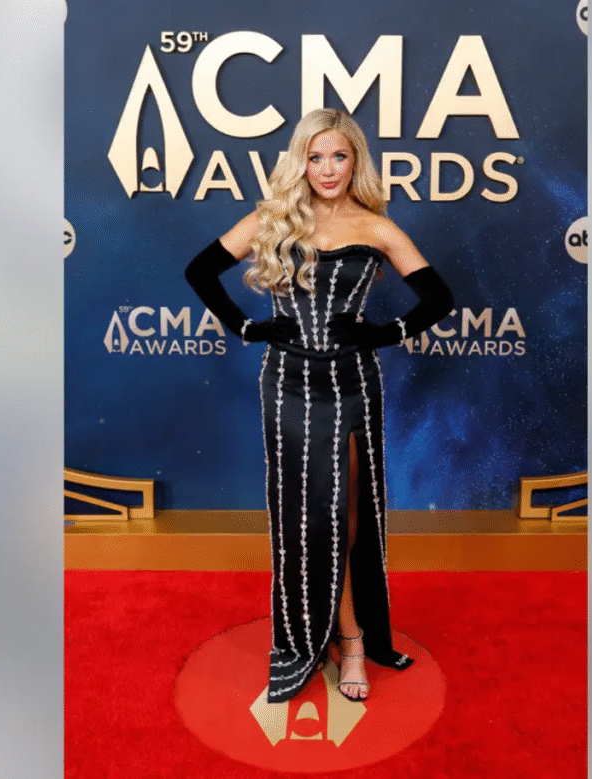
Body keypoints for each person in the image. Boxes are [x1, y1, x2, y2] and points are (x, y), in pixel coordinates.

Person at [185, 108, 453, 703]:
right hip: (286, 384)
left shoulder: (376, 227)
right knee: (304, 517)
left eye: (339, 156)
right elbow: (200, 270)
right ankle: (336, 634)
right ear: (300, 162)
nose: (327, 169)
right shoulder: (273, 218)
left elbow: (439, 297)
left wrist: (382, 333)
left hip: (351, 383)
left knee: (346, 516)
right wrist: (248, 328)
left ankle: (350, 634)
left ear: (355, 161)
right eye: (315, 157)